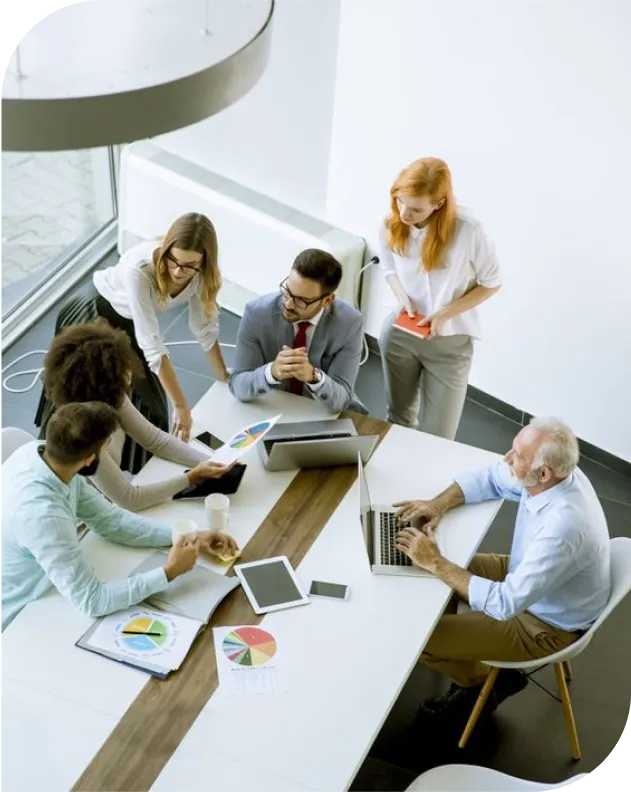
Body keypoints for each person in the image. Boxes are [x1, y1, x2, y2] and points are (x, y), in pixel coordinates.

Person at [394, 417, 610, 721]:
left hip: (544, 623)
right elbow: (493, 478)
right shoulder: (557, 475)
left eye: (517, 456)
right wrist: (437, 505)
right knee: (428, 569)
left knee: (419, 638)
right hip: (531, 580)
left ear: (544, 473)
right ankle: (463, 650)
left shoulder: (564, 528)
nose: (506, 458)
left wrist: (437, 563)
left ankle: (483, 685)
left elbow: (505, 603)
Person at [0, 402, 239, 632]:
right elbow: (92, 601)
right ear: (89, 458)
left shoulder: (43, 453)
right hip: (24, 613)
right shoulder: (43, 517)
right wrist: (169, 572)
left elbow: (111, 521)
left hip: (51, 581)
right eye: (106, 444)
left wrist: (187, 537)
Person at [35, 212, 228, 472]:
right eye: (173, 260)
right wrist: (182, 406)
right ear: (167, 248)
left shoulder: (202, 276)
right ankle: (53, 460)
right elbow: (153, 348)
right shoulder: (141, 269)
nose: (179, 271)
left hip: (131, 325)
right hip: (95, 314)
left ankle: (136, 475)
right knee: (77, 398)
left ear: (205, 262)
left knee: (154, 412)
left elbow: (204, 329)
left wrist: (225, 378)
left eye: (190, 265)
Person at [39, 320, 235, 512]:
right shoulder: (83, 431)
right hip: (90, 517)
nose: (130, 371)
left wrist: (215, 461)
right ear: (102, 382)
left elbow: (156, 440)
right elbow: (129, 499)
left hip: (110, 501)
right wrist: (191, 477)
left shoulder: (112, 397)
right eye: (121, 368)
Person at [379, 157, 502, 440]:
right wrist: (403, 297)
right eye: (400, 202)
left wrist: (445, 313)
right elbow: (388, 268)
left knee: (439, 439)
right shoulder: (390, 221)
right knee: (397, 421)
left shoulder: (468, 230)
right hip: (400, 335)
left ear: (439, 204)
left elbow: (491, 282)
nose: (405, 214)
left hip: (449, 345)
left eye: (416, 209)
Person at [229, 248, 366, 414]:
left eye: (301, 301)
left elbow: (342, 398)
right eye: (287, 292)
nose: (288, 304)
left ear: (327, 300)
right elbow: (237, 385)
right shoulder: (256, 313)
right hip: (270, 405)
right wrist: (271, 372)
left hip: (320, 409)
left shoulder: (350, 323)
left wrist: (314, 377)